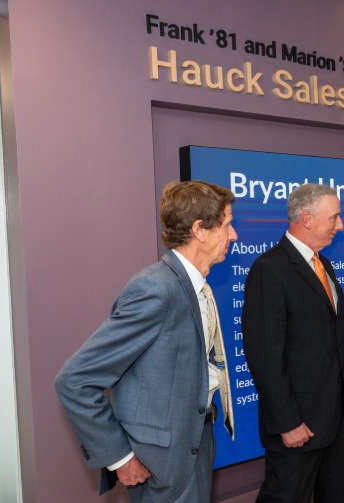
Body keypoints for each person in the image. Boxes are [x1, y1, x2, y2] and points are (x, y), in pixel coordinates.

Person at [55, 180, 238, 502]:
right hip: (161, 466)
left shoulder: (194, 287)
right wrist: (120, 458)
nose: (234, 235)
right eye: (227, 224)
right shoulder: (156, 289)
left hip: (194, 443)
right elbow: (75, 380)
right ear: (200, 230)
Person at [242, 183, 344, 503]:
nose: (340, 225)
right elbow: (264, 355)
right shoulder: (269, 270)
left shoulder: (324, 265)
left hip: (338, 416)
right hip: (299, 425)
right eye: (334, 218)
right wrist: (288, 422)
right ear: (307, 219)